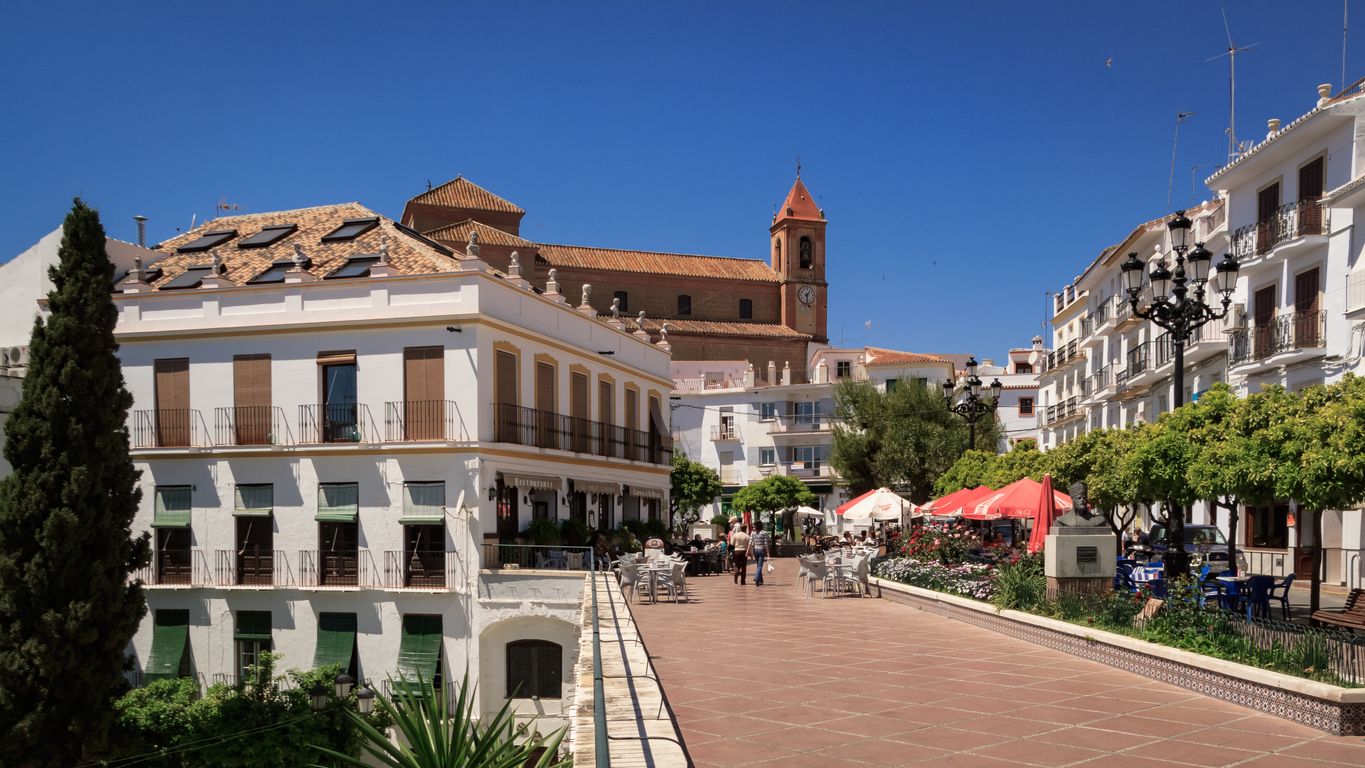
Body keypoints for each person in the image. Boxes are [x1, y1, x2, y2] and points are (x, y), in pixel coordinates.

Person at [751, 521, 771, 587]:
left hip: (755, 550)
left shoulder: (753, 533)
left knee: (758, 565)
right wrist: (768, 552)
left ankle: (760, 580)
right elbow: (766, 543)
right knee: (760, 566)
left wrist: (749, 551)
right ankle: (756, 578)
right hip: (761, 550)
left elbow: (751, 543)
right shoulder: (764, 533)